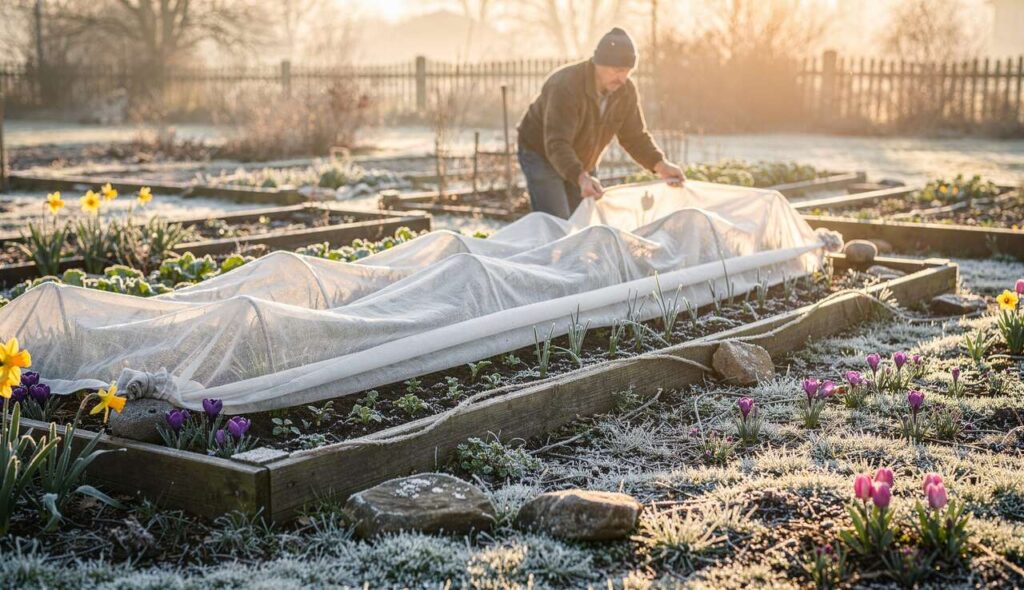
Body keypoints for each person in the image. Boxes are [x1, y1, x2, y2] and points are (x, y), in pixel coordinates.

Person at [516, 27, 686, 219]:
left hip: (580, 158)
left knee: (580, 221)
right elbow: (557, 142)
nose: (622, 78)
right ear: (599, 63)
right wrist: (581, 177)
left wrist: (661, 166)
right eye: (618, 70)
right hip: (542, 154)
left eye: (628, 72)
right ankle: (548, 248)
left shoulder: (625, 91)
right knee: (556, 223)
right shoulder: (565, 86)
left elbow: (635, 136)